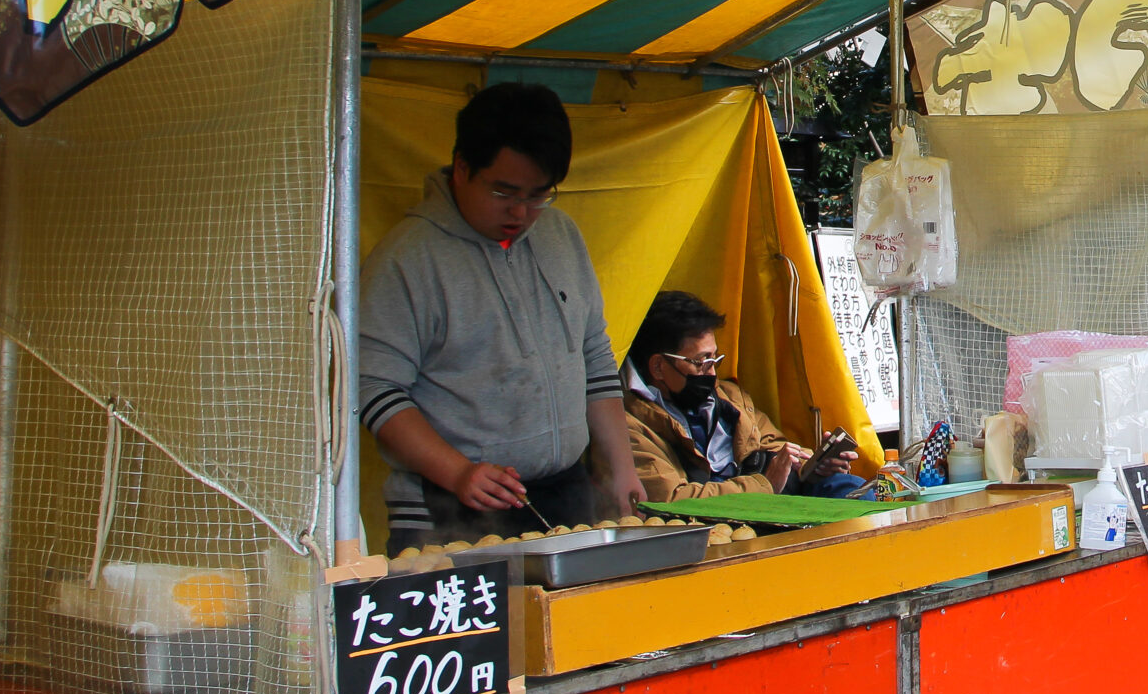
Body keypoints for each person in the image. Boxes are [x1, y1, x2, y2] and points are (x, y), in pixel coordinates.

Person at [359, 82, 643, 551]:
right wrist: (457, 471)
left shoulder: (560, 235)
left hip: (565, 496)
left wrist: (621, 468)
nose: (520, 212)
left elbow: (593, 357)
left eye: (538, 195)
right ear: (462, 167)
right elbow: (374, 389)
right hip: (448, 506)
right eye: (503, 191)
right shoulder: (407, 259)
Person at [623, 290, 865, 502]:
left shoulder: (730, 397)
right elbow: (671, 498)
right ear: (657, 367)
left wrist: (813, 466)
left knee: (854, 490)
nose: (712, 373)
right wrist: (763, 485)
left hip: (769, 500)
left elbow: (777, 449)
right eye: (701, 362)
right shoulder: (629, 426)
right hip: (722, 525)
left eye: (715, 359)